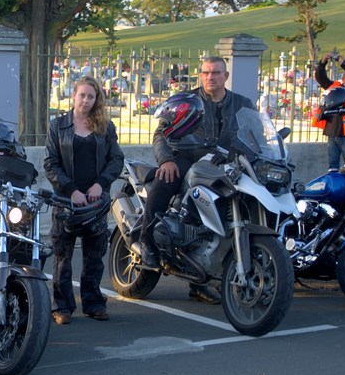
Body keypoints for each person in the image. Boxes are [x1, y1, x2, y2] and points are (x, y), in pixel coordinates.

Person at [138, 56, 255, 305]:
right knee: (164, 182)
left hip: (225, 165)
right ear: (200, 75)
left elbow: (256, 134)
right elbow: (161, 133)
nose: (210, 77)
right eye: (206, 72)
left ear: (226, 75)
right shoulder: (187, 100)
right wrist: (166, 159)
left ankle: (202, 278)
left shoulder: (243, 104)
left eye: (216, 72)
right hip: (186, 158)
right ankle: (147, 243)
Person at [44, 76, 124, 324]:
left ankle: (93, 303)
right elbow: (50, 163)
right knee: (62, 258)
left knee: (94, 257)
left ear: (96, 99)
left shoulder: (105, 127)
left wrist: (100, 184)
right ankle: (62, 307)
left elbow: (116, 160)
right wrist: (71, 191)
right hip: (66, 202)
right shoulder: (57, 126)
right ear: (74, 96)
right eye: (82, 95)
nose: (86, 100)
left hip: (96, 203)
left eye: (91, 96)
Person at [313, 53, 345, 171]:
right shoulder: (335, 86)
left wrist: (344, 64)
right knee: (332, 167)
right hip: (332, 132)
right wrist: (323, 62)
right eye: (344, 74)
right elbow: (320, 78)